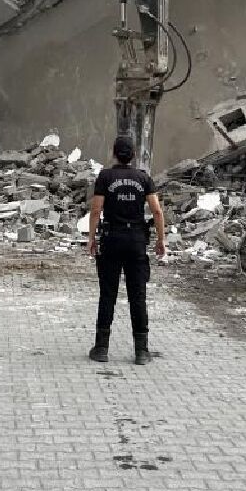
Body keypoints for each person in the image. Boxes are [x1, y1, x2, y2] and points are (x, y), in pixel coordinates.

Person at [87, 135, 165, 365]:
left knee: (108, 295)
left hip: (111, 240)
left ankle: (101, 349)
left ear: (114, 153)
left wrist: (91, 239)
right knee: (137, 296)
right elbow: (157, 212)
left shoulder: (105, 177)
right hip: (136, 241)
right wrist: (162, 240)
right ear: (133, 155)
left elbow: (95, 210)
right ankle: (141, 351)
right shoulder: (143, 178)